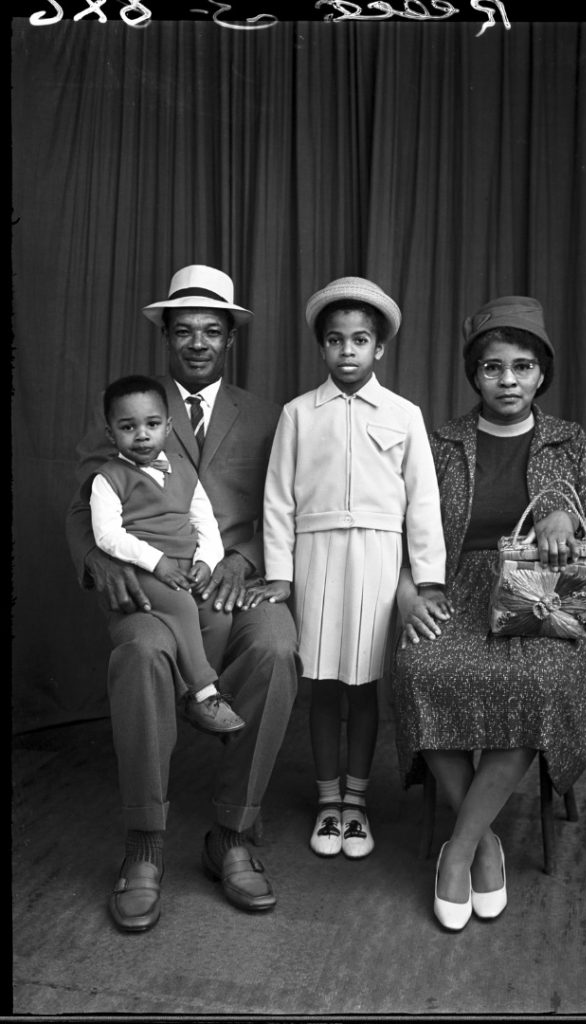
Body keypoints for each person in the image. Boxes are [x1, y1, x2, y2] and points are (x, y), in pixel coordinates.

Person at [66, 265, 300, 933]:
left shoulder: (264, 415)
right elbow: (83, 502)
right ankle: (144, 842)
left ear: (230, 338)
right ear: (167, 336)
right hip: (151, 584)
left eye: (213, 331)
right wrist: (92, 560)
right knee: (140, 654)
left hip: (235, 581)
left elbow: (283, 506)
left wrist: (243, 559)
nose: (198, 342)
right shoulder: (128, 404)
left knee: (280, 646)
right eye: (185, 331)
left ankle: (232, 834)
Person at [391, 295, 586, 931]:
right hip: (453, 589)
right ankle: (485, 839)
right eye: (494, 368)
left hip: (542, 599)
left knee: (537, 682)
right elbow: (401, 528)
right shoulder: (441, 441)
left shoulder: (568, 442)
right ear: (475, 375)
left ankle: (458, 849)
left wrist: (571, 516)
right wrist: (410, 590)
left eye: (522, 367)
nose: (509, 381)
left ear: (541, 374)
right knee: (418, 671)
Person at [255, 277, 447, 860]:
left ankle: (356, 803)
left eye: (359, 340)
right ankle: (326, 800)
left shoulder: (403, 413)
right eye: (335, 340)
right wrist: (280, 574)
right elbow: (277, 499)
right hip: (315, 557)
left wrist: (427, 576)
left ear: (379, 349)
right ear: (322, 348)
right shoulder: (298, 413)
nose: (347, 351)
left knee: (364, 686)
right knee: (321, 686)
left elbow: (423, 499)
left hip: (379, 559)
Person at [91, 373, 243, 735]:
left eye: (152, 424)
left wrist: (206, 562)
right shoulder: (108, 478)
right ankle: (206, 691)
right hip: (142, 567)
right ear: (111, 433)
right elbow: (107, 535)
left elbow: (205, 522)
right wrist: (156, 563)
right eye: (128, 427)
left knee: (217, 614)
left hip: (185, 564)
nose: (142, 434)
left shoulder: (182, 468)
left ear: (169, 426)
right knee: (181, 605)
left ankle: (189, 694)